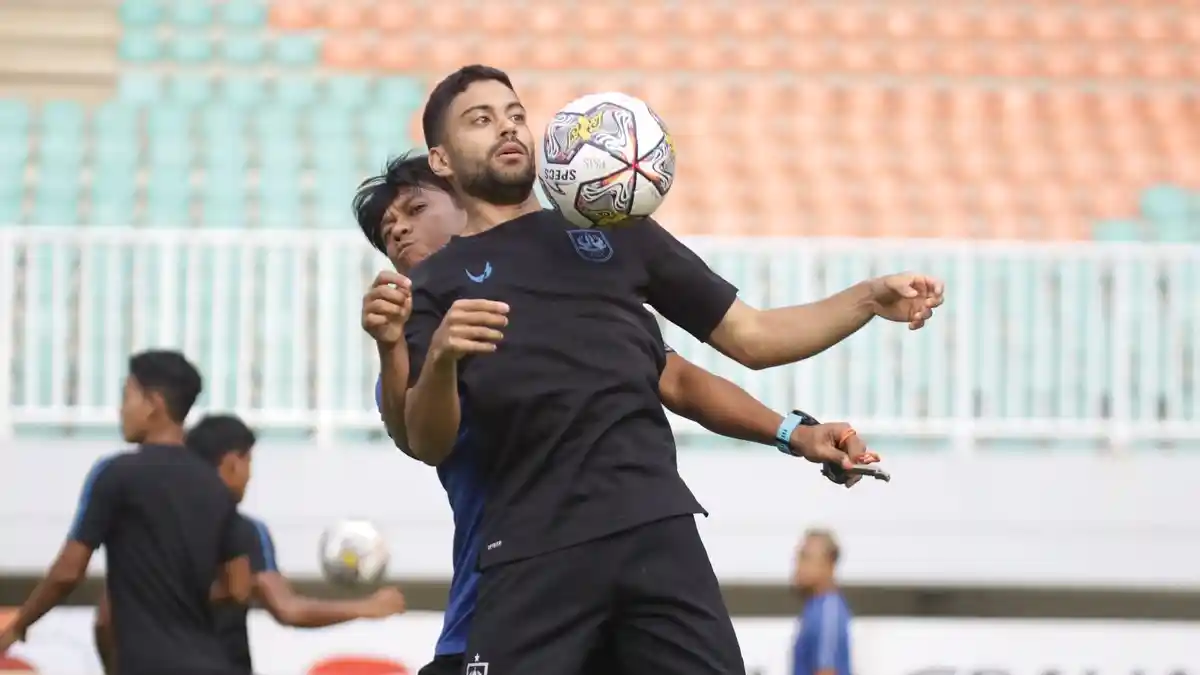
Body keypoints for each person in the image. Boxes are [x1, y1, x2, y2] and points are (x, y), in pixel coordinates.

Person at [400, 64, 942, 675]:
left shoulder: (612, 227)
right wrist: (443, 356)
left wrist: (867, 300)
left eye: (515, 113)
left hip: (653, 529)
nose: (507, 128)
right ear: (441, 160)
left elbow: (752, 335)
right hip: (532, 549)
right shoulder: (434, 286)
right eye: (481, 119)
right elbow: (426, 439)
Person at [92, 414, 408, 675]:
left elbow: (106, 619)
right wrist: (368, 607)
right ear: (232, 463)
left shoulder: (145, 533)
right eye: (248, 463)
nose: (249, 476)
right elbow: (288, 609)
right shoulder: (242, 530)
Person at [0, 351, 252, 675]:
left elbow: (68, 572)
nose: (121, 410)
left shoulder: (117, 474)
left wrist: (19, 624)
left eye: (126, 396)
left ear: (153, 404)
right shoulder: (217, 487)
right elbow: (239, 588)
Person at [790, 529, 852, 675]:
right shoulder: (814, 608)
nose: (798, 566)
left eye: (806, 558)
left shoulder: (828, 613)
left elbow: (827, 671)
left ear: (829, 564)